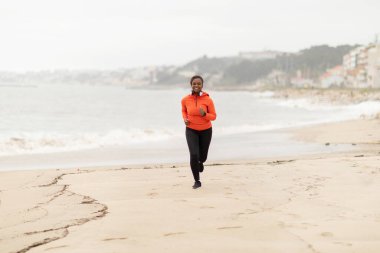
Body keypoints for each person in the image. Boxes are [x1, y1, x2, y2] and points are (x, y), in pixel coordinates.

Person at [181, 75, 217, 189]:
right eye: (194, 83)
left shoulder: (208, 100)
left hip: (206, 130)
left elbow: (214, 116)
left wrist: (204, 114)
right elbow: (184, 110)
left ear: (202, 85)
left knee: (203, 156)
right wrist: (185, 119)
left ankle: (201, 162)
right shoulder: (185, 99)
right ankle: (197, 181)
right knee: (194, 154)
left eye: (198, 84)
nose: (196, 85)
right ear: (191, 85)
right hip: (191, 130)